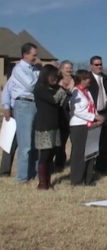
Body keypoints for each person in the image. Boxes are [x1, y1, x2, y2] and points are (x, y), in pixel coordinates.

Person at [2, 42, 40, 183]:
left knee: (35, 142)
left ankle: (34, 173)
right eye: (33, 55)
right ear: (25, 54)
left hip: (35, 104)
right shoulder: (18, 69)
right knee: (25, 144)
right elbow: (30, 85)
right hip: (23, 104)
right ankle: (22, 177)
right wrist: (6, 106)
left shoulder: (34, 69)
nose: (36, 58)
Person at [33, 64, 67, 189]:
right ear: (46, 75)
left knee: (52, 153)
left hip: (54, 125)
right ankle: (42, 183)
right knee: (45, 155)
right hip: (44, 126)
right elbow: (53, 100)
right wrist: (62, 90)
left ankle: (48, 181)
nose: (55, 79)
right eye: (53, 76)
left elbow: (61, 103)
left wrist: (64, 92)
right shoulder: (40, 88)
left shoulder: (53, 88)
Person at [69, 70, 104, 186]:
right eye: (86, 78)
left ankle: (88, 179)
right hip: (78, 126)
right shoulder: (75, 92)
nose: (89, 80)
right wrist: (94, 116)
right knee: (79, 154)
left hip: (90, 125)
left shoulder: (87, 92)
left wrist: (97, 117)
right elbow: (77, 111)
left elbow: (92, 106)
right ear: (81, 80)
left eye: (89, 78)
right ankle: (76, 180)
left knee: (90, 152)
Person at [88, 56, 107, 173]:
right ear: (91, 66)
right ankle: (90, 168)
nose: (99, 66)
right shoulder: (87, 78)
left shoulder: (106, 78)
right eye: (96, 64)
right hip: (92, 114)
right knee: (92, 142)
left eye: (100, 64)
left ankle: (102, 167)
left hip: (105, 113)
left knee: (103, 142)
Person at [54, 60, 75, 172]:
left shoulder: (75, 80)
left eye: (70, 68)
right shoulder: (56, 80)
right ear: (61, 69)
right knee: (61, 142)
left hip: (74, 114)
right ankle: (59, 164)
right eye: (67, 68)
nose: (69, 70)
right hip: (61, 114)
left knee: (75, 141)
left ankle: (74, 162)